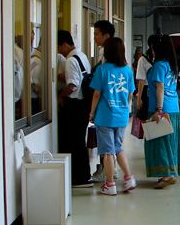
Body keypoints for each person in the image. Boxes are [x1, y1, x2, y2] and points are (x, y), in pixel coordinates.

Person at [88, 37, 136, 196]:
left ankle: (109, 184)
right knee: (118, 147)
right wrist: (124, 108)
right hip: (121, 116)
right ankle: (129, 178)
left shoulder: (102, 70)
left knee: (107, 151)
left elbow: (96, 94)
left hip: (105, 116)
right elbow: (130, 94)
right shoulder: (128, 70)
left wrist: (92, 112)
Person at [144, 34, 180, 189]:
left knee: (160, 142)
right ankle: (170, 172)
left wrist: (159, 110)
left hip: (161, 108)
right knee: (170, 141)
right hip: (173, 108)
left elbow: (159, 87)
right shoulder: (170, 65)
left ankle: (168, 174)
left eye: (152, 47)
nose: (151, 50)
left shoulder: (159, 65)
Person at [57, 30, 93, 187]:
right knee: (79, 140)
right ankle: (84, 175)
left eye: (59, 47)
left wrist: (60, 95)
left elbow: (73, 85)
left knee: (74, 142)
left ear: (65, 44)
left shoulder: (70, 60)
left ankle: (80, 177)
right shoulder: (82, 55)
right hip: (84, 104)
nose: (59, 51)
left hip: (75, 106)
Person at [90, 19, 118, 183]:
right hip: (117, 106)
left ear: (106, 36)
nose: (94, 37)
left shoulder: (106, 54)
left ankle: (107, 173)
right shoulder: (116, 52)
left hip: (106, 105)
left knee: (106, 144)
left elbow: (99, 89)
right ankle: (112, 169)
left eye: (97, 34)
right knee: (114, 144)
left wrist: (92, 111)